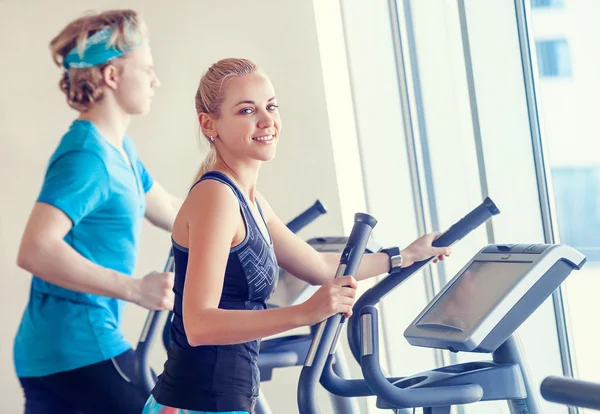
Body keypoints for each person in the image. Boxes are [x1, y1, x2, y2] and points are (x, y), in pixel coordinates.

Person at [144, 57, 451, 414]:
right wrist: (305, 312)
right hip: (195, 404)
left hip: (221, 402)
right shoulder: (216, 197)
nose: (266, 120)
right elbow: (199, 324)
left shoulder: (248, 200)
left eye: (271, 106)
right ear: (209, 124)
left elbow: (320, 267)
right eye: (247, 110)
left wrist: (404, 256)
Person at [14, 9, 181, 414]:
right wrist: (136, 289)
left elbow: (175, 212)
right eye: (147, 69)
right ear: (111, 76)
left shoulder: (120, 150)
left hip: (56, 349)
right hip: (78, 344)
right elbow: (35, 248)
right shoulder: (87, 156)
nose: (155, 80)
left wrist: (244, 216)